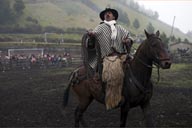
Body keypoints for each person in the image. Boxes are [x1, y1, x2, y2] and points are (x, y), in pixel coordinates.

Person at [86, 8, 133, 110]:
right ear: (103, 17)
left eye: (109, 13)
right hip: (109, 57)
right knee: (114, 71)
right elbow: (93, 34)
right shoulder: (100, 27)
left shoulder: (120, 28)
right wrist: (91, 34)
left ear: (114, 16)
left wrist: (127, 40)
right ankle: (113, 99)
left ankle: (133, 91)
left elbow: (129, 37)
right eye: (105, 14)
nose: (107, 14)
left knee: (135, 65)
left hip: (122, 54)